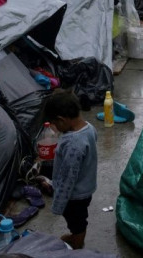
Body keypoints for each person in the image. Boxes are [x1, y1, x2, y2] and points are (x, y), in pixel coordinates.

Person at [42, 89, 98, 250]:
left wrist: (58, 204)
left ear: (61, 120)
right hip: (86, 187)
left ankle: (78, 243)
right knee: (79, 219)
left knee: (77, 222)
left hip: (75, 196)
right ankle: (76, 236)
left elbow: (68, 178)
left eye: (54, 124)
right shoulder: (89, 127)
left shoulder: (73, 144)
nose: (55, 128)